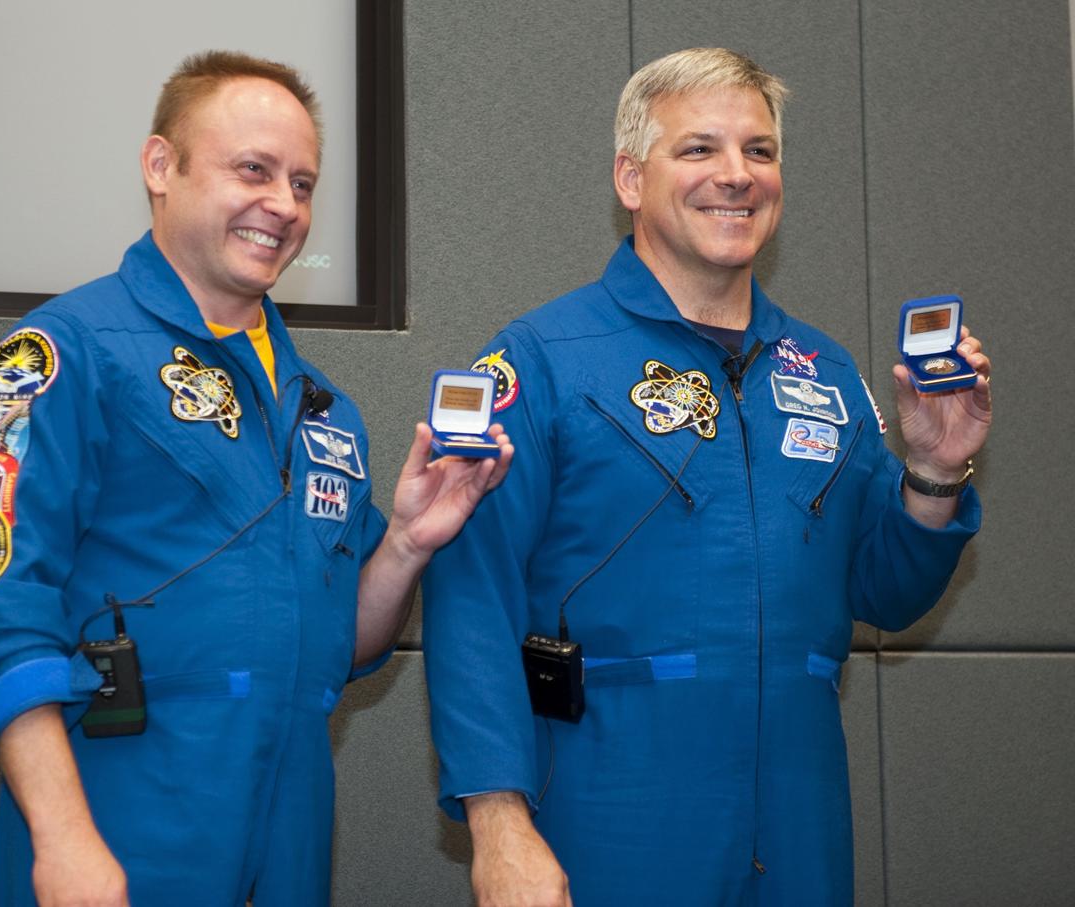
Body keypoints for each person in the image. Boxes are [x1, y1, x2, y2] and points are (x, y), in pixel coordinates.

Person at [0, 51, 511, 906]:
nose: (283, 204)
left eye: (304, 182)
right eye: (254, 170)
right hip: (121, 821)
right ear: (161, 167)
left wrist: (408, 546)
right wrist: (63, 839)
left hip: (290, 833)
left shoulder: (325, 414)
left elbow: (341, 644)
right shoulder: (59, 355)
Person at [422, 47, 990, 906]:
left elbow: (887, 589)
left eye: (759, 152)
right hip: (606, 820)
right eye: (699, 149)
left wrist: (936, 470)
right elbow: (472, 599)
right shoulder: (539, 361)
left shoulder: (826, 373)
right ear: (629, 178)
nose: (736, 176)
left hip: (799, 827)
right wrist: (498, 826)